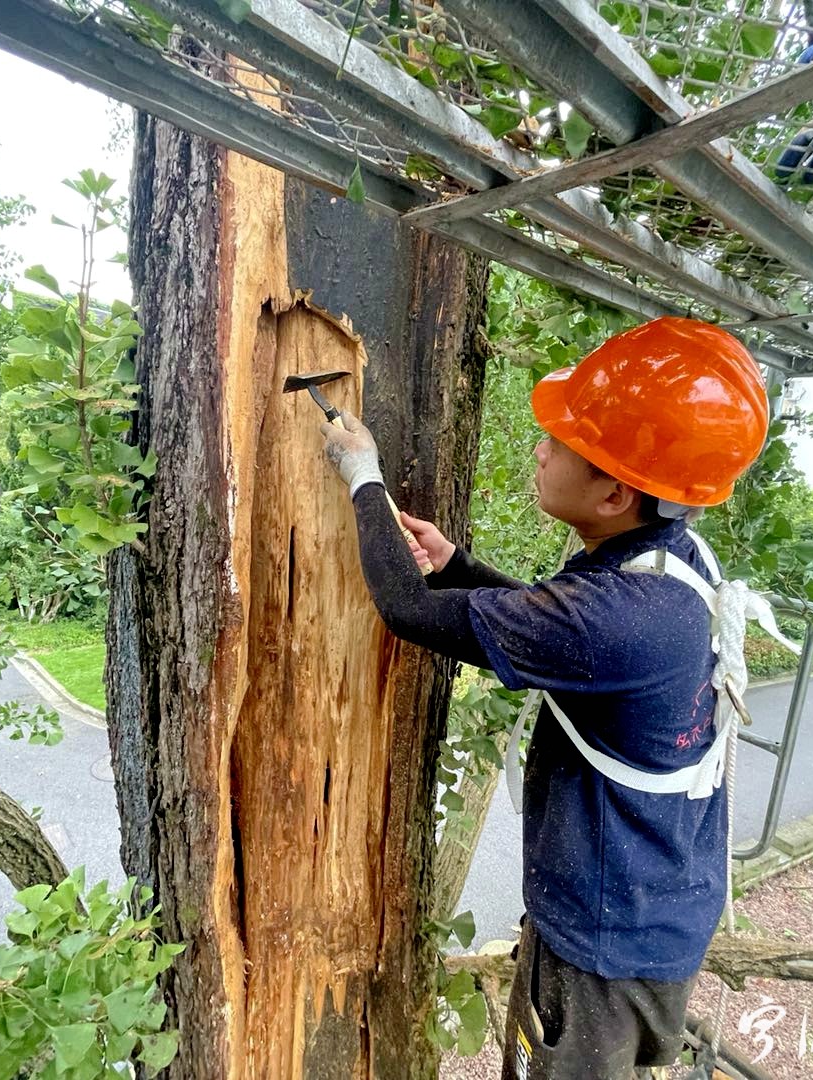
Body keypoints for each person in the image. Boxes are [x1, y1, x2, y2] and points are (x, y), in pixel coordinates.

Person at [319, 317, 773, 1079]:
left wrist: (363, 475)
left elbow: (404, 610)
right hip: (650, 912)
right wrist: (458, 564)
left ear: (615, 489)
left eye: (561, 442)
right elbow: (568, 633)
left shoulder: (617, 619)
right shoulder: (662, 561)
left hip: (603, 950)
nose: (540, 448)